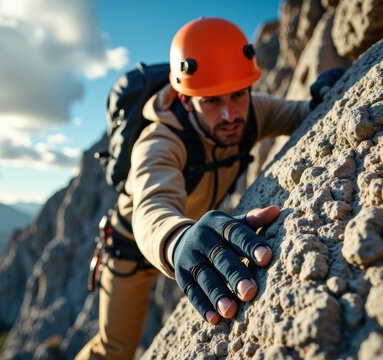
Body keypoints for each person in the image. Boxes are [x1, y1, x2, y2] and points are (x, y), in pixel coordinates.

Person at [76, 17, 339, 360]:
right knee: (115, 349)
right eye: (211, 101)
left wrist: (321, 95)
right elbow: (151, 206)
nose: (230, 115)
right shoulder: (160, 140)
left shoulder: (250, 111)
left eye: (236, 95)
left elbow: (296, 114)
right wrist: (177, 239)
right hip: (138, 250)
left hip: (199, 237)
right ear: (185, 100)